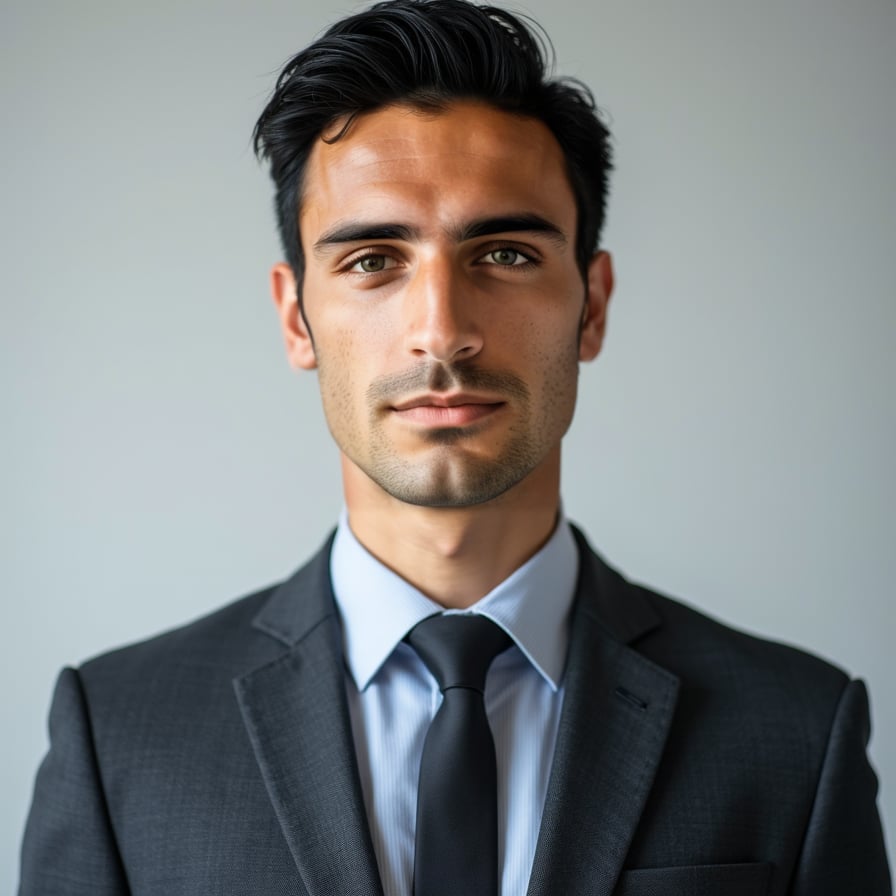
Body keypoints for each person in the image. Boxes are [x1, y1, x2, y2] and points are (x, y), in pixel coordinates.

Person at [18, 0, 891, 893]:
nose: (441, 331)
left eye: (506, 254)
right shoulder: (120, 733)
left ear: (591, 304)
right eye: (372, 261)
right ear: (296, 316)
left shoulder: (795, 731)